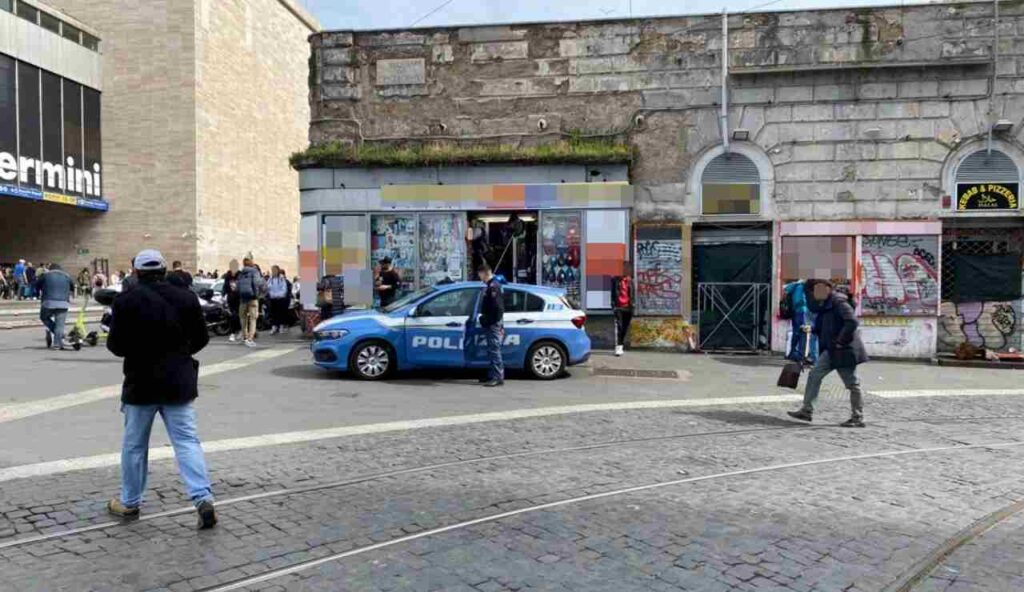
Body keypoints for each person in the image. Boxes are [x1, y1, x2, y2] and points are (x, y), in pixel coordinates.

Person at [105, 249, 216, 529]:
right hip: (178, 382)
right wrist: (179, 353)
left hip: (140, 383)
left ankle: (130, 502)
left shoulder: (126, 301)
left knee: (134, 446)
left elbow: (116, 346)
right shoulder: (187, 298)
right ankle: (202, 498)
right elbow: (202, 338)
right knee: (187, 442)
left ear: (136, 272)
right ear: (164, 271)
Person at [787, 280, 869, 428]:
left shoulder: (839, 302)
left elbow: (852, 322)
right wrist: (812, 329)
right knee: (814, 375)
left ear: (827, 289)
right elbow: (825, 325)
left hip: (844, 351)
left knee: (852, 384)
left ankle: (858, 417)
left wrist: (840, 341)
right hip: (830, 351)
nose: (814, 294)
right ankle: (806, 410)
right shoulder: (825, 305)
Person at [35, 263, 75, 350]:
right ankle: (57, 344)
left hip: (48, 302)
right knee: (60, 325)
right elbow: (72, 287)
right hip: (63, 303)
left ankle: (59, 334)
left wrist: (38, 294)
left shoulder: (45, 275)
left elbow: (37, 285)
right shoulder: (67, 276)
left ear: (50, 269)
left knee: (44, 317)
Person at [478, 263, 504, 387]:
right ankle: (492, 374)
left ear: (484, 273)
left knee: (494, 350)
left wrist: (488, 321)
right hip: (491, 322)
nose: (479, 277)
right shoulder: (490, 285)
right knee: (491, 350)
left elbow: (497, 308)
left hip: (493, 324)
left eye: (480, 274)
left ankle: (498, 377)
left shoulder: (493, 286)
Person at [782, 279, 818, 364]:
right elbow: (800, 300)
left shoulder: (795, 286)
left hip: (796, 311)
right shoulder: (801, 287)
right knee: (803, 332)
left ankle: (793, 353)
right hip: (802, 311)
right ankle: (801, 355)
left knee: (797, 332)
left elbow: (787, 290)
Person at [236, 256, 265, 347]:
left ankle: (244, 337)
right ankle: (250, 339)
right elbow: (258, 283)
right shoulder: (255, 271)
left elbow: (237, 286)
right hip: (253, 298)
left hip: (243, 299)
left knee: (243, 318)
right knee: (253, 319)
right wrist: (259, 294)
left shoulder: (241, 273)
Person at [611, 265, 634, 357]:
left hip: (628, 307)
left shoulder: (630, 281)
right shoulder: (615, 280)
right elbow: (612, 293)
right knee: (619, 327)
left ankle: (621, 345)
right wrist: (613, 305)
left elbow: (632, 294)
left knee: (625, 327)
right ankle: (618, 347)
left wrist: (633, 305)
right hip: (618, 307)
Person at [266, 265, 291, 335]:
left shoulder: (281, 278)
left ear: (278, 271)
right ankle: (274, 327)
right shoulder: (270, 279)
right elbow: (268, 287)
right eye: (272, 270)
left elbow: (284, 289)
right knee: (273, 313)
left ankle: (281, 327)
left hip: (280, 298)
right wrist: (271, 294)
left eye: (275, 270)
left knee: (280, 313)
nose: (273, 272)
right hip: (273, 298)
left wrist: (279, 295)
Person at [221, 261, 242, 342]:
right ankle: (234, 332)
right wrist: (223, 295)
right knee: (233, 316)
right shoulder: (227, 276)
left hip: (239, 299)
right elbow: (225, 286)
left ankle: (238, 331)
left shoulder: (240, 275)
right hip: (231, 299)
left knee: (238, 316)